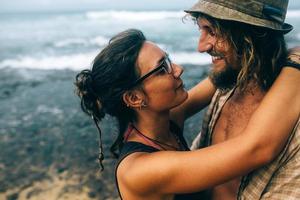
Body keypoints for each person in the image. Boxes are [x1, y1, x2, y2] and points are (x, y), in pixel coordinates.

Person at [75, 29, 300, 199]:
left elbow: (219, 77)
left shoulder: (165, 121)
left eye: (169, 59)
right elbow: (257, 149)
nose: (178, 69)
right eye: (162, 68)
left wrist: (248, 39)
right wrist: (295, 64)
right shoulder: (140, 170)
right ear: (134, 98)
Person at [184, 0, 300, 199]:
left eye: (212, 31)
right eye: (201, 29)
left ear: (251, 35)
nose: (201, 47)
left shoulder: (292, 123)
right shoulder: (224, 92)